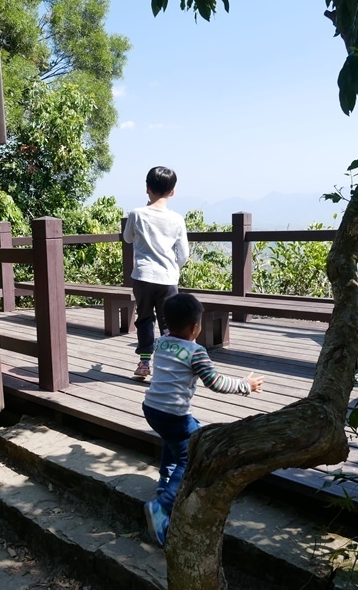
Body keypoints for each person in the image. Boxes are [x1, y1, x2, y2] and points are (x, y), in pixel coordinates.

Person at [142, 293, 264, 547]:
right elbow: (215, 383)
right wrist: (246, 385)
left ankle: (165, 481)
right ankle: (162, 506)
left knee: (174, 440)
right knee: (192, 454)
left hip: (152, 408)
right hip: (173, 414)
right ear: (195, 327)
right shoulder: (195, 351)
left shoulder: (161, 342)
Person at [123, 166, 189, 378]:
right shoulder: (178, 219)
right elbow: (184, 255)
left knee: (144, 319)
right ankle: (170, 365)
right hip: (168, 278)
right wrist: (172, 268)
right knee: (170, 323)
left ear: (147, 188)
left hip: (143, 276)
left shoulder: (136, 214)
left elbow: (127, 238)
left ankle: (144, 364)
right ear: (173, 192)